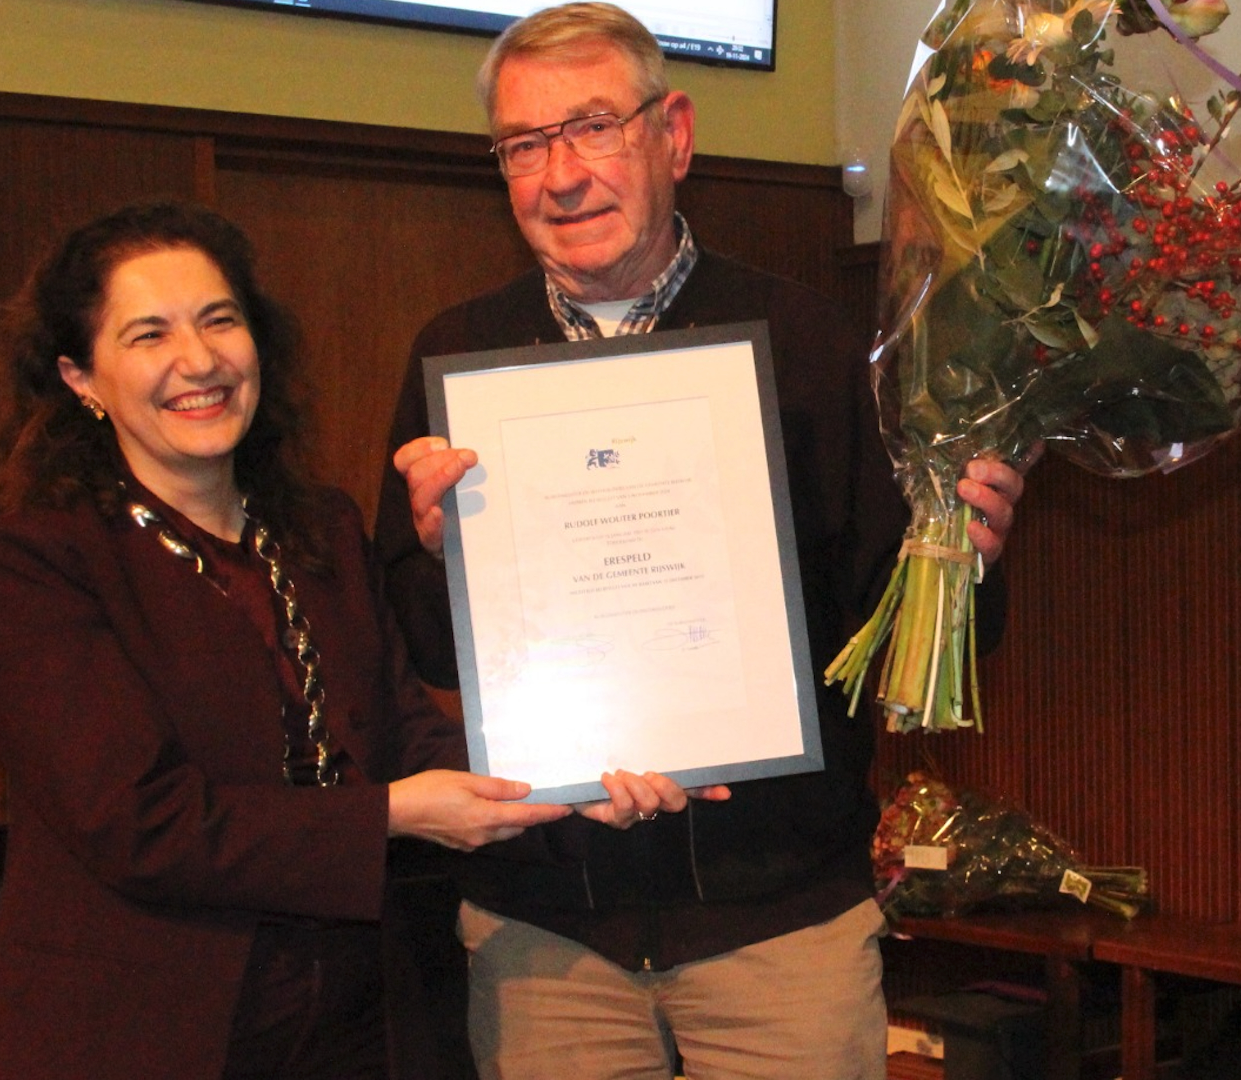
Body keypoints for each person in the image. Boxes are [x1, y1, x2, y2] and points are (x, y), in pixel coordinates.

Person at [371, 5, 1032, 1078]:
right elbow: (421, 650)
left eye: (591, 127)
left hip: (779, 930)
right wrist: (441, 559)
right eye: (524, 146)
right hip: (548, 940)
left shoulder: (818, 346)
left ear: (672, 134)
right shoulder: (458, 356)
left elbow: (904, 646)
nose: (560, 174)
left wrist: (968, 558)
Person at [0, 200, 575, 1080]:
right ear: (80, 378)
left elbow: (407, 734)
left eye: (220, 320)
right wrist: (394, 812)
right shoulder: (39, 561)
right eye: (148, 335)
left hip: (352, 1029)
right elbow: (140, 824)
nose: (199, 361)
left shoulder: (320, 528)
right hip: (135, 1036)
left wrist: (577, 771)